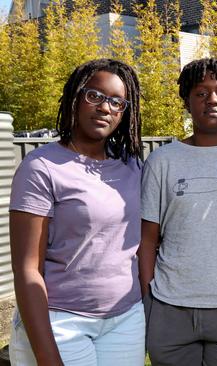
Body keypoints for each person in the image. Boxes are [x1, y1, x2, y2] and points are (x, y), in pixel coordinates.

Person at [9, 59, 144, 366]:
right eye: (94, 96)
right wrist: (47, 356)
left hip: (125, 319)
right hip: (62, 321)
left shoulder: (133, 165)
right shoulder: (41, 168)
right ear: (75, 98)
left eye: (116, 102)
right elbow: (27, 269)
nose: (105, 107)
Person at [139, 58, 217, 366]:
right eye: (201, 92)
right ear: (187, 100)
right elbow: (146, 242)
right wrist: (150, 304)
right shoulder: (161, 161)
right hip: (170, 308)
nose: (212, 99)